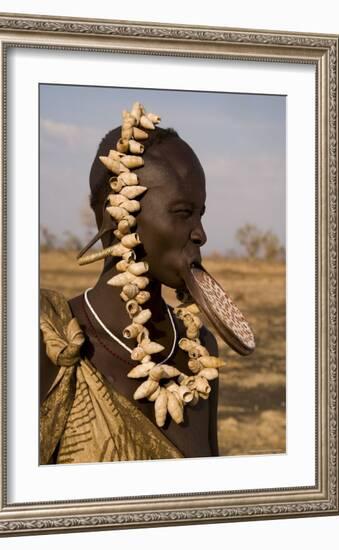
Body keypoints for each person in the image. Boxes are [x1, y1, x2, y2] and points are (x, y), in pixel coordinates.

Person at [39, 103, 220, 465]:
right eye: (183, 213)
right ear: (117, 217)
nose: (200, 234)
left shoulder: (200, 350)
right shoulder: (51, 341)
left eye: (201, 214)